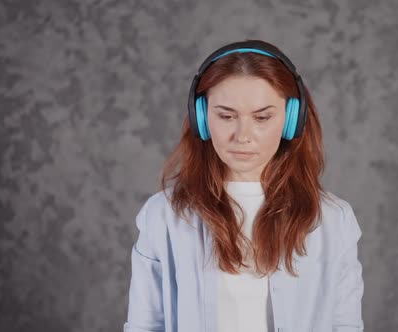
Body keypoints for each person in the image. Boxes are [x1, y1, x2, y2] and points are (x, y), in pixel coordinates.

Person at [123, 39, 364, 332]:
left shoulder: (333, 220)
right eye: (226, 116)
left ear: (292, 119)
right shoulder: (163, 215)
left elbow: (345, 325)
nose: (243, 135)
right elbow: (144, 326)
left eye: (262, 117)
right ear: (202, 118)